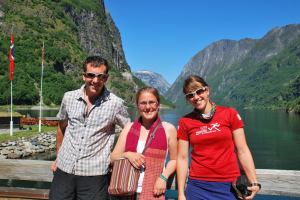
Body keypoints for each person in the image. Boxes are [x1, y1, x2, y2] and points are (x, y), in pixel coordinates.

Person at [49, 56, 130, 200]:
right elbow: (61, 127)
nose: (95, 80)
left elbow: (129, 130)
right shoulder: (69, 97)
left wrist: (116, 156)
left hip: (95, 175)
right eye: (91, 75)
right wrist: (58, 156)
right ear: (83, 76)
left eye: (101, 76)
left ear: (106, 78)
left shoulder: (116, 104)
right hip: (64, 170)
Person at [177, 75, 261, 200]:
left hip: (229, 186)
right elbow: (182, 158)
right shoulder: (185, 122)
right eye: (190, 95)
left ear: (207, 90)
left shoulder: (230, 114)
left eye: (199, 91)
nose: (196, 97)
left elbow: (242, 150)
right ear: (187, 99)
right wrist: (180, 194)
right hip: (197, 187)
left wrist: (254, 182)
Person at [110, 87, 177, 200]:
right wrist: (128, 155)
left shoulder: (168, 129)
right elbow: (113, 158)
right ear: (137, 106)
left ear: (158, 104)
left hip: (154, 191)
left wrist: (163, 178)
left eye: (151, 102)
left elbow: (175, 159)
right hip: (125, 191)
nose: (147, 107)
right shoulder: (128, 127)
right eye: (143, 103)